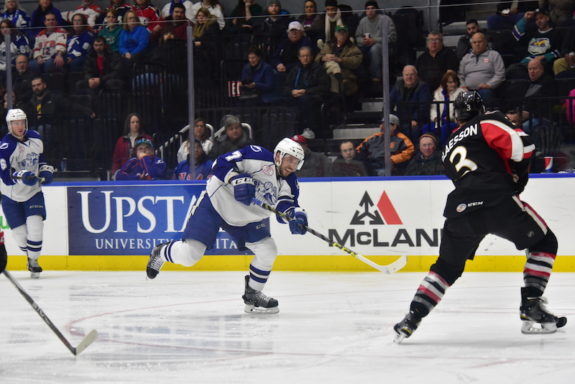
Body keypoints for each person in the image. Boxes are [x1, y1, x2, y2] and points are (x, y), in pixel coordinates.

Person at [393, 91, 566, 343]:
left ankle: (412, 318)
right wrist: (517, 177)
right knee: (544, 243)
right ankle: (531, 304)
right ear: (480, 109)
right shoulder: (486, 121)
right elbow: (523, 146)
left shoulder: (448, 146)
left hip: (460, 209)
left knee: (446, 267)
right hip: (496, 199)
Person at [146, 138, 308, 314]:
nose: (292, 165)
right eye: (289, 159)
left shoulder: (291, 182)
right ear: (278, 155)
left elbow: (285, 206)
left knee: (268, 250)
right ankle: (160, 252)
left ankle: (253, 293)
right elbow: (219, 163)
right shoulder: (257, 155)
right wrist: (235, 179)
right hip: (216, 204)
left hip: (246, 219)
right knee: (190, 255)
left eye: (296, 162)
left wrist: (294, 216)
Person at [0, 108, 54, 279]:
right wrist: (23, 176)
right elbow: (5, 176)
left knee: (36, 226)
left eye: (22, 122)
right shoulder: (6, 147)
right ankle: (30, 257)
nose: (19, 126)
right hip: (10, 195)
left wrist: (45, 171)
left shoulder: (36, 138)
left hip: (33, 192)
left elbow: (41, 159)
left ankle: (33, 261)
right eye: (16, 123)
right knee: (20, 236)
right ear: (10, 125)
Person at [284, 46, 329, 137]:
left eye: (307, 56)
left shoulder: (318, 69)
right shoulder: (295, 70)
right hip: (296, 96)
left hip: (313, 97)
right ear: (299, 57)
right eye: (303, 56)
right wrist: (292, 92)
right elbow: (286, 87)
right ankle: (290, 131)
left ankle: (309, 129)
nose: (305, 58)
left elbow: (324, 86)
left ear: (311, 56)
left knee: (306, 101)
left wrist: (306, 91)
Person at [458, 32, 506, 108]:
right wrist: (463, 86)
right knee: (461, 94)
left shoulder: (494, 55)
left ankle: (487, 117)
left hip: (487, 89)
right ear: (471, 44)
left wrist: (489, 85)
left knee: (485, 93)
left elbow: (500, 74)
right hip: (468, 89)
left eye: (479, 42)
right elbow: (460, 75)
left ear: (486, 42)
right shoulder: (466, 58)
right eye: (474, 42)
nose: (477, 44)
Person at [355, 0, 397, 83]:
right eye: (367, 9)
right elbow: (357, 37)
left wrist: (375, 40)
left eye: (372, 8)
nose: (370, 11)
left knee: (375, 49)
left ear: (377, 10)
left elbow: (393, 37)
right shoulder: (363, 21)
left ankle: (376, 76)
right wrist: (363, 41)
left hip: (384, 47)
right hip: (366, 46)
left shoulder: (386, 19)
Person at [316, 24, 363, 97]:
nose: (341, 34)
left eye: (344, 32)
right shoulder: (328, 45)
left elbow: (357, 60)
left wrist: (341, 60)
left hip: (345, 75)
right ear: (335, 34)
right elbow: (317, 58)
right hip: (327, 73)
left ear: (347, 34)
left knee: (339, 83)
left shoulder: (352, 47)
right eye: (339, 32)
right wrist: (323, 58)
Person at [389, 65, 432, 140]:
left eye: (411, 74)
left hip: (417, 121)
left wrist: (415, 119)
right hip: (400, 120)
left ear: (416, 75)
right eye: (406, 75)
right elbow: (389, 102)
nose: (409, 77)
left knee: (413, 129)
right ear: (403, 76)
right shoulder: (398, 85)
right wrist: (390, 120)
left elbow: (423, 106)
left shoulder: (422, 86)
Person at [426, 69, 464, 145]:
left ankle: (442, 149)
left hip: (453, 121)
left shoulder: (461, 92)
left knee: (444, 129)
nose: (453, 84)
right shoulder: (438, 93)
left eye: (454, 82)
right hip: (439, 120)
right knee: (426, 127)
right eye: (450, 82)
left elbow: (461, 109)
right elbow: (433, 108)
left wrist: (451, 117)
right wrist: (435, 118)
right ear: (445, 83)